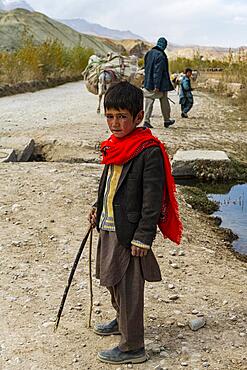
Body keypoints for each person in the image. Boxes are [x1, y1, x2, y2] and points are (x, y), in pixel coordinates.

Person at [88, 81, 182, 365]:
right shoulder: (114, 146)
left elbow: (153, 199)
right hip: (108, 225)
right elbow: (108, 185)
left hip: (129, 233)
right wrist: (96, 207)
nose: (114, 123)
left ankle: (133, 347)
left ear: (138, 117)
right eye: (110, 116)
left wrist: (144, 236)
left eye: (122, 117)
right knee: (110, 279)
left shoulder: (147, 150)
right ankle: (120, 320)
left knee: (128, 287)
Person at [143, 37, 175, 129]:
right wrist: (157, 85)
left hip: (148, 82)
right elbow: (158, 71)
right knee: (164, 101)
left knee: (149, 101)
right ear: (164, 45)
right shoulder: (161, 55)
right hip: (160, 85)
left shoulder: (149, 53)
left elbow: (146, 68)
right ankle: (166, 120)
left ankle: (147, 121)